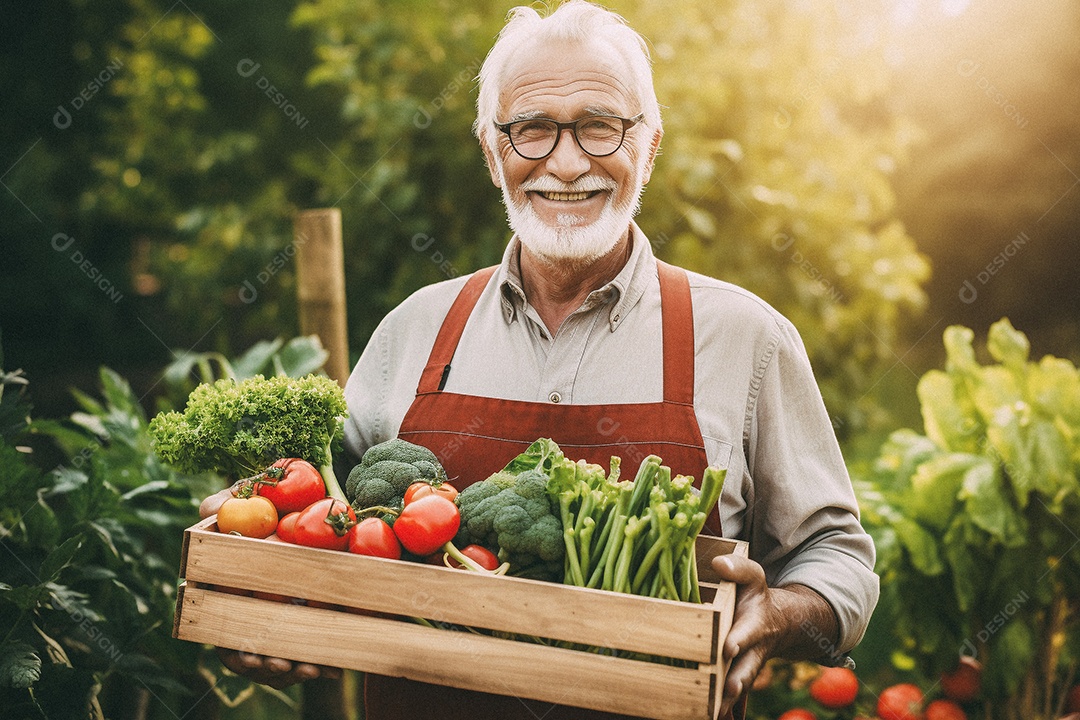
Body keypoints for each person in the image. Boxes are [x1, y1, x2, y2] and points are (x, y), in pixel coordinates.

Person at [220, 2, 879, 718]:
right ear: (491, 150)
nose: (567, 164)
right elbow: (318, 520)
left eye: (601, 126)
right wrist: (259, 582)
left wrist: (781, 614)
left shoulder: (746, 339)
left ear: (649, 145)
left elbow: (836, 555)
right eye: (531, 129)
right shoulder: (414, 329)